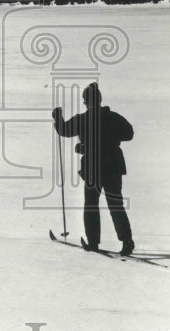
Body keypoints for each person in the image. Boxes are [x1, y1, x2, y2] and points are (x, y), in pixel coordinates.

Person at [53, 82, 135, 255]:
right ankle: (127, 241)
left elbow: (64, 130)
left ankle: (93, 243)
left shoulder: (82, 119)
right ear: (99, 100)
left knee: (91, 205)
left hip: (93, 169)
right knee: (116, 205)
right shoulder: (113, 117)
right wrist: (109, 139)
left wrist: (58, 118)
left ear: (86, 101)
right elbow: (129, 133)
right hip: (113, 166)